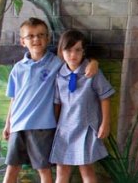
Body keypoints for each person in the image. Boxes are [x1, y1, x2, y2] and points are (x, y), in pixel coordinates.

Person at [3, 18, 98, 183]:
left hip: (43, 126)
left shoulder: (57, 63)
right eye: (30, 36)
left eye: (40, 35)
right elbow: (14, 98)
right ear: (22, 41)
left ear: (47, 38)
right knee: (11, 169)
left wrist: (94, 62)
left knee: (44, 171)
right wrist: (8, 124)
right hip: (17, 125)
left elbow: (77, 60)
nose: (36, 39)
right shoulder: (18, 68)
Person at [49, 29, 115, 183]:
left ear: (84, 51)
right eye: (68, 50)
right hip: (64, 129)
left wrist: (105, 123)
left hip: (85, 127)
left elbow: (105, 97)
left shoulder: (92, 72)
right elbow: (57, 103)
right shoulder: (59, 74)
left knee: (86, 169)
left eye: (78, 50)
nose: (73, 55)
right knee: (62, 170)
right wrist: (54, 127)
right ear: (61, 51)